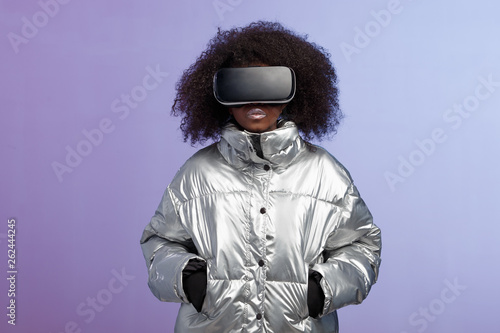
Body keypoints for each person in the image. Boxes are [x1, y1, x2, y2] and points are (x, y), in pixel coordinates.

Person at [140, 21, 381, 333]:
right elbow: (160, 240)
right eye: (241, 87)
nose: (255, 101)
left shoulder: (325, 173)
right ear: (221, 97)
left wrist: (321, 290)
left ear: (294, 92)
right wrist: (189, 279)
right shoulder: (197, 173)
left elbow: (361, 244)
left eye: (269, 85)